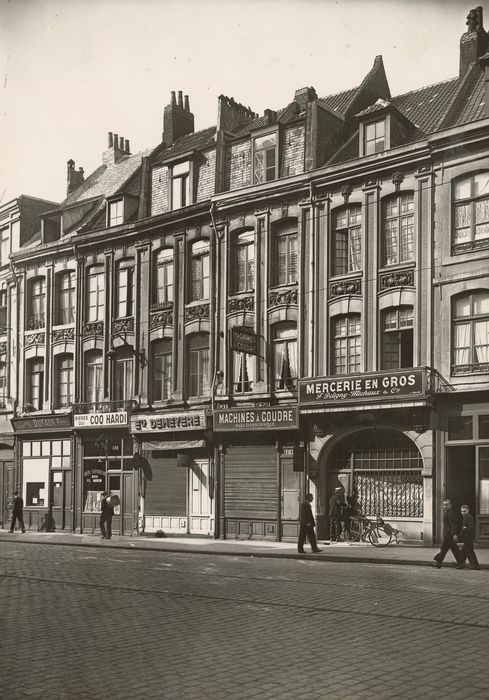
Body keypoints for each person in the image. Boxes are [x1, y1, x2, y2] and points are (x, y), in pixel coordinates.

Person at [433, 499, 464, 569]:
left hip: (449, 535)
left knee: (444, 548)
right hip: (448, 534)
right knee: (452, 549)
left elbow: (453, 525)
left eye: (447, 505)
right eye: (444, 505)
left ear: (450, 505)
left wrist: (454, 534)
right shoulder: (447, 512)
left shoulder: (450, 513)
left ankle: (438, 561)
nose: (445, 506)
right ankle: (460, 562)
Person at [458, 504, 480, 570]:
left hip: (468, 537)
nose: (463, 513)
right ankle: (461, 563)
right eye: (462, 511)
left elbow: (471, 528)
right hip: (466, 537)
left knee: (469, 551)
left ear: (468, 511)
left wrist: (464, 529)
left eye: (464, 511)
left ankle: (474, 565)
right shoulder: (466, 517)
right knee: (463, 551)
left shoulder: (469, 517)